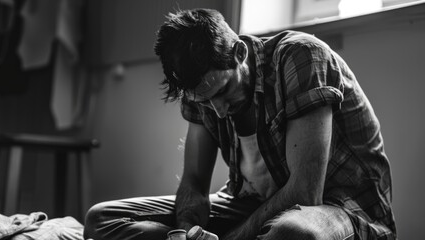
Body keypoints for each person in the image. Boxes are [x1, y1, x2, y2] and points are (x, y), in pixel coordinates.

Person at [84, 8, 396, 240]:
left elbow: (305, 193)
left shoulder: (301, 56)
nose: (217, 111)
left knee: (292, 233)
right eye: (204, 101)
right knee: (102, 220)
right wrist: (184, 231)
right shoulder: (200, 86)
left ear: (239, 54)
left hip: (341, 208)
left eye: (221, 93)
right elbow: (194, 182)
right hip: (249, 204)